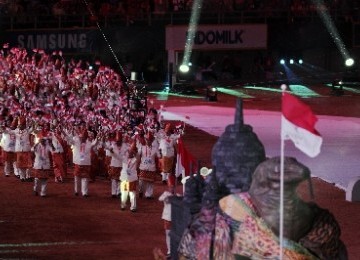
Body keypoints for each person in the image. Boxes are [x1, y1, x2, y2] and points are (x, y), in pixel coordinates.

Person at [65, 128, 99, 197]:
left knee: (85, 178)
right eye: (81, 137)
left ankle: (85, 192)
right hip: (78, 162)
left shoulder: (89, 143)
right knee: (77, 177)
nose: (82, 139)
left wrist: (98, 137)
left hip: (86, 163)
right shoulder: (76, 142)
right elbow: (69, 139)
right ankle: (76, 191)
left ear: (86, 138)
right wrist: (63, 132)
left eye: (83, 137)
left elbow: (94, 143)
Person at [137, 131, 160, 199]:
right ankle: (141, 191)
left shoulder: (155, 148)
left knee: (150, 182)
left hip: (151, 167)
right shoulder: (142, 147)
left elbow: (159, 156)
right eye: (147, 140)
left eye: (150, 140)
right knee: (141, 181)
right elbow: (137, 155)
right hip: (143, 167)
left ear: (152, 140)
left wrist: (161, 154)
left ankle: (149, 194)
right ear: (145, 140)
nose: (148, 141)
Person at [31, 133, 55, 197]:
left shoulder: (48, 146)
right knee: (37, 179)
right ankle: (36, 189)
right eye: (41, 140)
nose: (43, 141)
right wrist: (36, 143)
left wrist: (51, 144)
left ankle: (43, 193)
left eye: (44, 140)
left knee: (44, 179)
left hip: (45, 165)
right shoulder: (37, 145)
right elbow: (32, 149)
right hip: (38, 165)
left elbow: (53, 151)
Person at [106, 131, 128, 198]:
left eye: (119, 141)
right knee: (114, 179)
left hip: (122, 164)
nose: (118, 142)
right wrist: (111, 151)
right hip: (114, 164)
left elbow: (127, 154)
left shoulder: (125, 146)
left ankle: (119, 192)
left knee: (121, 179)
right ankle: (113, 193)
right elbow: (109, 152)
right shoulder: (113, 145)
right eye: (117, 141)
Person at [158, 123, 177, 193]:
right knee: (164, 167)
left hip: (170, 154)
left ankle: (167, 179)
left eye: (168, 130)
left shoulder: (173, 137)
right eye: (166, 130)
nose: (167, 131)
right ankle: (164, 179)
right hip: (164, 153)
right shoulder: (162, 136)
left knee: (169, 168)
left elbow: (175, 144)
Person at [119, 143, 138, 212]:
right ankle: (123, 205)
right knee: (124, 192)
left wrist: (134, 150)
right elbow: (118, 155)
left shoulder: (135, 159)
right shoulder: (124, 158)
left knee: (132, 193)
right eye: (129, 151)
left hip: (132, 178)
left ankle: (133, 207)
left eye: (131, 152)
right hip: (124, 178)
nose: (130, 153)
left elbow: (137, 156)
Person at [158, 190, 173, 258]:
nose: (171, 188)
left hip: (175, 218)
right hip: (167, 218)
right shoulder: (166, 194)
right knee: (168, 234)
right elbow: (160, 199)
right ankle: (170, 251)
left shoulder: (179, 196)